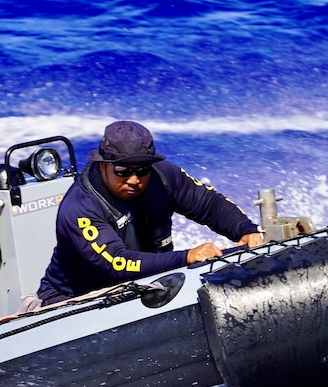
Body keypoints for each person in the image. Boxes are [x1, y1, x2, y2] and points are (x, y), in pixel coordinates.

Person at [36, 121, 263, 305]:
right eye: (122, 171)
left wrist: (246, 230)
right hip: (72, 300)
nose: (134, 180)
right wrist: (186, 257)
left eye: (142, 170)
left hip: (145, 287)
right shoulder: (80, 208)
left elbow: (208, 204)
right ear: (103, 165)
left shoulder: (163, 177)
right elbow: (117, 263)